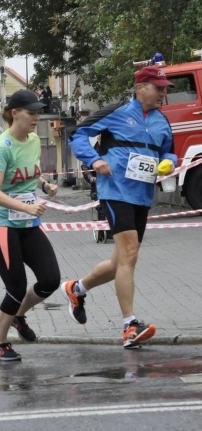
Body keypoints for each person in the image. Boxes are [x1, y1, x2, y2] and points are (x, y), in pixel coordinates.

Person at [61, 65, 177, 349]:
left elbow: (168, 150)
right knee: (129, 253)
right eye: (159, 88)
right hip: (116, 190)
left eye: (165, 89)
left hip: (142, 194)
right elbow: (77, 134)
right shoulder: (117, 111)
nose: (164, 93)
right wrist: (94, 161)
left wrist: (169, 162)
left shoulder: (163, 121)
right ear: (141, 88)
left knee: (121, 262)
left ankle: (76, 289)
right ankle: (129, 325)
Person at [0, 90, 60, 361]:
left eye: (38, 112)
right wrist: (27, 206)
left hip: (28, 223)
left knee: (50, 279)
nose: (36, 117)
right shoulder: (2, 146)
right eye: (31, 112)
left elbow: (33, 171)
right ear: (14, 112)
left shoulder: (33, 141)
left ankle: (18, 316)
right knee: (16, 286)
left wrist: (45, 185)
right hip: (3, 225)